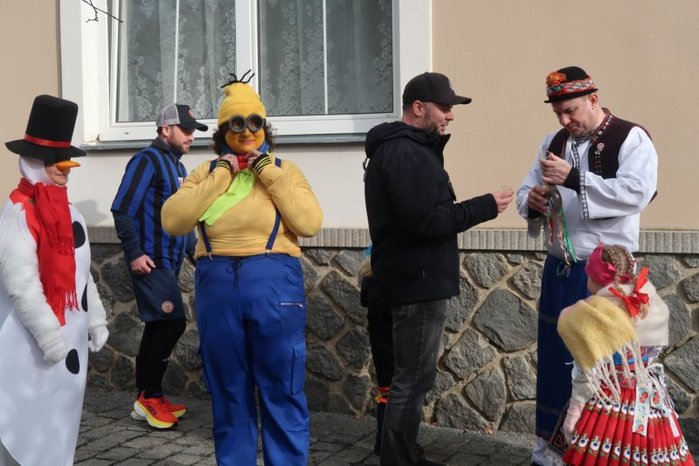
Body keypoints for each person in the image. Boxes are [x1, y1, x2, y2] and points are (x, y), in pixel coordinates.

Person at [161, 72, 323, 465]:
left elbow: (309, 222)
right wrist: (222, 174)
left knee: (282, 388)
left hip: (274, 288)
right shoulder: (205, 172)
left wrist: (267, 171)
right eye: (237, 123)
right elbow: (174, 220)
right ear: (223, 131)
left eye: (254, 122)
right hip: (217, 288)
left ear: (264, 126)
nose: (247, 131)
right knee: (229, 391)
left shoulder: (285, 169)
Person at [363, 71, 514, 466]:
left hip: (411, 279)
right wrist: (485, 206)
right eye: (444, 106)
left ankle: (400, 453)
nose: (451, 115)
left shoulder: (406, 149)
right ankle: (398, 459)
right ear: (419, 107)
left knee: (409, 377)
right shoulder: (405, 153)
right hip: (417, 283)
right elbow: (426, 221)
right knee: (411, 378)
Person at [515, 66, 658, 465]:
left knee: (599, 367)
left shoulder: (631, 138)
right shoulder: (554, 141)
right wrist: (533, 202)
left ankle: (597, 453)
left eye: (571, 110)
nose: (564, 120)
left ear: (594, 99)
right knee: (555, 363)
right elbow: (527, 188)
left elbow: (637, 193)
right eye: (558, 113)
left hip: (607, 276)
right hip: (560, 268)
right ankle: (548, 453)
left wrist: (575, 177)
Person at [0, 95, 109, 465]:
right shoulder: (19, 213)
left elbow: (80, 272)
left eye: (66, 159)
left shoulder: (68, 212)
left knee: (61, 424)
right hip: (30, 345)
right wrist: (50, 337)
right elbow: (22, 285)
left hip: (69, 348)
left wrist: (95, 319)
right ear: (34, 161)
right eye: (54, 160)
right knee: (27, 423)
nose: (65, 167)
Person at [111, 103, 207, 429]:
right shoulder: (146, 161)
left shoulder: (177, 166)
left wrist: (199, 256)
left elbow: (181, 220)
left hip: (170, 260)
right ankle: (149, 397)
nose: (192, 136)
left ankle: (148, 395)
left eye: (194, 131)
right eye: (186, 130)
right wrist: (134, 253)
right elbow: (122, 209)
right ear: (166, 129)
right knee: (172, 324)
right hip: (150, 261)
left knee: (158, 326)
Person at [556, 243, 694, 466]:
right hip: (648, 396)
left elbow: (587, 374)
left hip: (608, 398)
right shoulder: (647, 301)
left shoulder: (592, 315)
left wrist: (574, 412)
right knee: (649, 452)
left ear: (595, 277)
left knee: (603, 451)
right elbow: (654, 351)